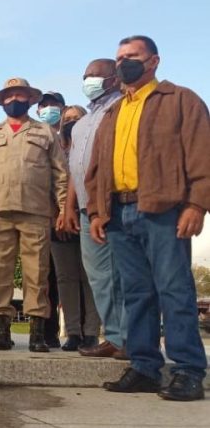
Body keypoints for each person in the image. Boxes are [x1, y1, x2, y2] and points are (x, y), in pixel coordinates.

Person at [87, 35, 209, 401]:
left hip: (163, 209)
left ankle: (188, 370)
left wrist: (197, 205)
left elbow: (202, 153)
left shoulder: (180, 100)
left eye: (132, 56)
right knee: (136, 294)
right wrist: (97, 211)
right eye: (119, 57)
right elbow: (96, 168)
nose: (124, 63)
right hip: (120, 213)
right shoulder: (113, 111)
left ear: (153, 61)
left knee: (174, 290)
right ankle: (143, 366)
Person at [0, 78, 67, 352]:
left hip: (36, 211)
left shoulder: (45, 133)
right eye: (8, 96)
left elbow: (60, 173)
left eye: (19, 95)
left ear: (30, 100)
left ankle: (37, 332)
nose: (13, 100)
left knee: (37, 273)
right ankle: (1, 330)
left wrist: (64, 207)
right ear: (2, 101)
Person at [59, 58, 127, 360]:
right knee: (99, 276)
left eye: (95, 76)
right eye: (85, 76)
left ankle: (133, 338)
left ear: (113, 79)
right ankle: (114, 336)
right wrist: (70, 206)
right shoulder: (83, 123)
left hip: (117, 204)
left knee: (125, 274)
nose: (89, 81)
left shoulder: (123, 109)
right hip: (86, 208)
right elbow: (77, 167)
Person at [51, 105, 101, 351]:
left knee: (89, 277)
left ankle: (91, 332)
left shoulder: (91, 145)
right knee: (66, 279)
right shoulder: (56, 148)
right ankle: (72, 332)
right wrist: (58, 213)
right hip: (57, 222)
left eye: (76, 118)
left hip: (87, 216)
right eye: (67, 119)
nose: (70, 122)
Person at [35, 92, 67, 348]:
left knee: (59, 278)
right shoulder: (35, 136)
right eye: (44, 106)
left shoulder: (69, 138)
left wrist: (63, 210)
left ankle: (57, 332)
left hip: (61, 216)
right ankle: (43, 330)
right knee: (40, 277)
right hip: (36, 215)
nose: (48, 110)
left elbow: (63, 178)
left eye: (53, 105)